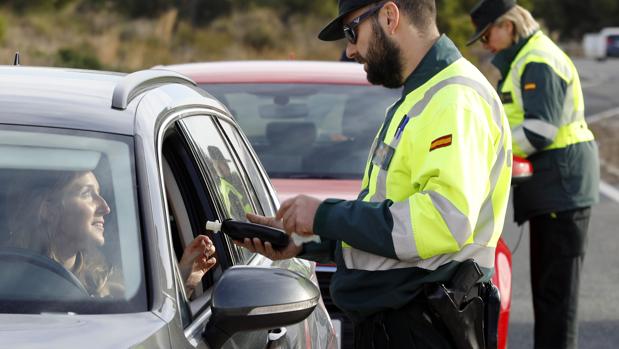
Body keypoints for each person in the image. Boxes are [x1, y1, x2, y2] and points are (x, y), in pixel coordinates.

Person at [236, 0, 512, 348]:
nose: (350, 50)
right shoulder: (420, 97)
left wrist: (325, 214)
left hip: (424, 327)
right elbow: (392, 225)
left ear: (389, 16)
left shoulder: (454, 99)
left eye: (352, 32)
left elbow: (444, 221)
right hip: (404, 323)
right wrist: (305, 238)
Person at [467, 1, 600, 348]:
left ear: (508, 26)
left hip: (562, 187)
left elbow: (541, 130)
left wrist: (492, 155)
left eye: (486, 35)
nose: (485, 45)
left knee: (556, 299)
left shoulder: (538, 59)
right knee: (548, 294)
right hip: (554, 190)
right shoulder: (526, 58)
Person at [5, 170, 216, 298]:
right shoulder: (7, 279)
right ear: (49, 210)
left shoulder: (112, 287)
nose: (105, 207)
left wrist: (183, 282)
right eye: (87, 193)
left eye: (100, 193)